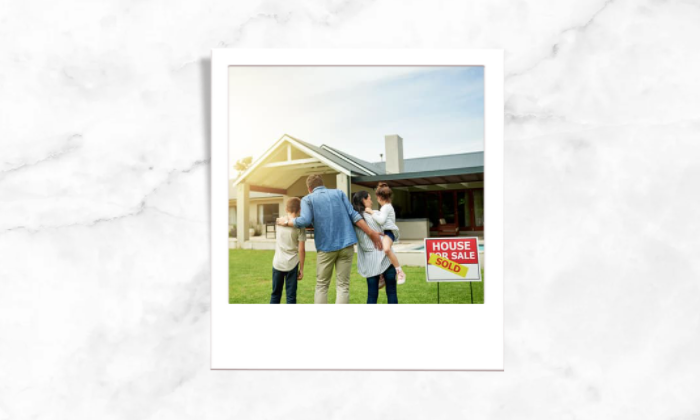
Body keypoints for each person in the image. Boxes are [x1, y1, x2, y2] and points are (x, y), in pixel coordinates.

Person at [276, 175, 383, 304]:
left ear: (309, 188)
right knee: (343, 286)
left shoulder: (308, 199)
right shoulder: (339, 193)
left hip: (326, 248)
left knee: (322, 286)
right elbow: (354, 215)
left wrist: (287, 221)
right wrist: (371, 233)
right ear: (322, 184)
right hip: (346, 245)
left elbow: (304, 220)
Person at [351, 191, 398, 304]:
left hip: (370, 261)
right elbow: (391, 228)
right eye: (369, 198)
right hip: (387, 258)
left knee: (372, 294)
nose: (371, 201)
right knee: (391, 292)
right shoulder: (376, 214)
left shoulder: (355, 220)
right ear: (364, 200)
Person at [364, 182, 406, 285]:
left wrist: (371, 212)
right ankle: (382, 275)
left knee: (386, 249)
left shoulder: (386, 207)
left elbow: (381, 220)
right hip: (386, 232)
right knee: (381, 252)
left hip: (390, 233)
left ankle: (400, 272)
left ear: (379, 197)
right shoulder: (385, 207)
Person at [270, 197, 306, 304]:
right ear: (300, 210)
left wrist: (286, 220)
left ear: (286, 209)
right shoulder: (300, 227)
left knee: (275, 294)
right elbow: (302, 249)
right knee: (291, 297)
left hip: (278, 263)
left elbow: (282, 221)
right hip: (292, 264)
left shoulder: (279, 221)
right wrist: (302, 269)